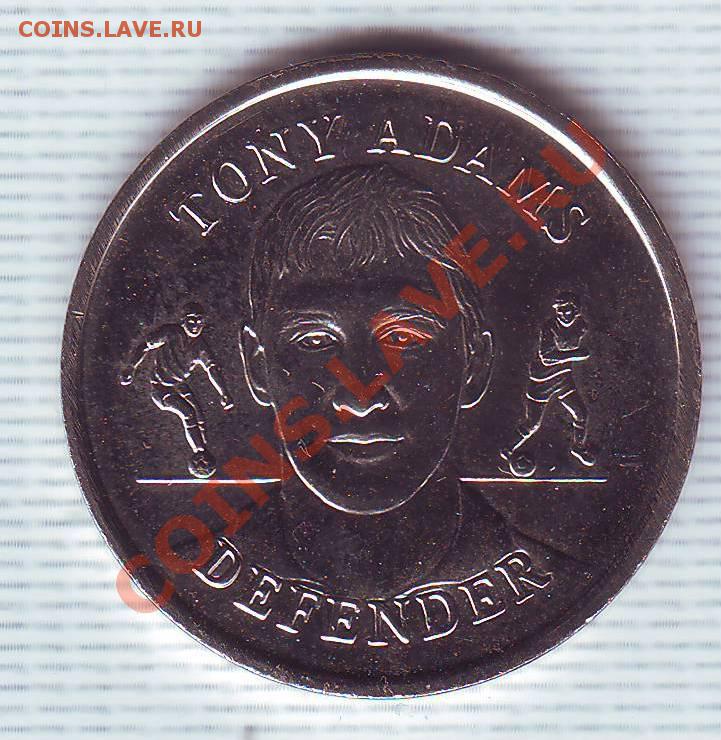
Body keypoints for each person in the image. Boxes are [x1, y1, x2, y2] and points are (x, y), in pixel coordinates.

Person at [236, 164, 590, 605]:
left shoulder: (558, 583)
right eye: (315, 340)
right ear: (257, 365)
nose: (361, 396)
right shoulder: (191, 571)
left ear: (475, 363)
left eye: (402, 338)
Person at [119, 302, 233, 478]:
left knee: (198, 412)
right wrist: (131, 367)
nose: (195, 325)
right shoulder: (170, 333)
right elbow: (145, 345)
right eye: (191, 320)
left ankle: (202, 448)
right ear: (182, 320)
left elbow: (212, 369)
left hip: (179, 385)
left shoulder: (200, 346)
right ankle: (199, 453)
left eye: (199, 321)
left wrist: (223, 392)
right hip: (160, 388)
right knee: (188, 413)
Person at [501, 291, 595, 472]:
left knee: (581, 414)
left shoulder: (582, 326)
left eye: (567, 310)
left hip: (563, 378)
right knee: (532, 424)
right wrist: (576, 354)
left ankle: (578, 447)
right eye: (560, 310)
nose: (563, 314)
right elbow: (547, 357)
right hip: (542, 381)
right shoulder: (549, 327)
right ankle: (508, 448)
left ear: (576, 310)